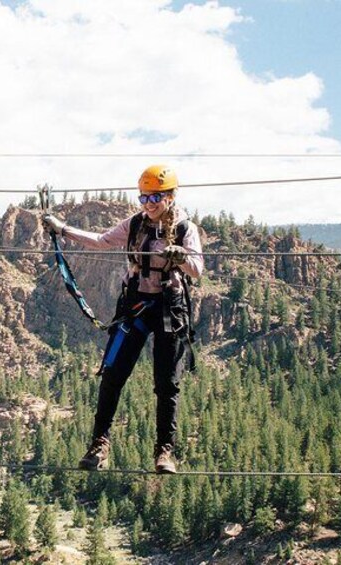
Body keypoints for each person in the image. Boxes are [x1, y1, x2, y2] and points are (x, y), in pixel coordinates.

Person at [43, 164, 204, 474]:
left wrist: (182, 258)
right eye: (144, 198)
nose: (149, 204)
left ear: (170, 196)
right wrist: (61, 229)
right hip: (137, 305)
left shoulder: (186, 229)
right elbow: (101, 240)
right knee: (113, 373)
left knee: (167, 383)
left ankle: (164, 452)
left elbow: (197, 268)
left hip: (170, 310)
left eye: (155, 197)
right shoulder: (135, 224)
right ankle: (99, 445)